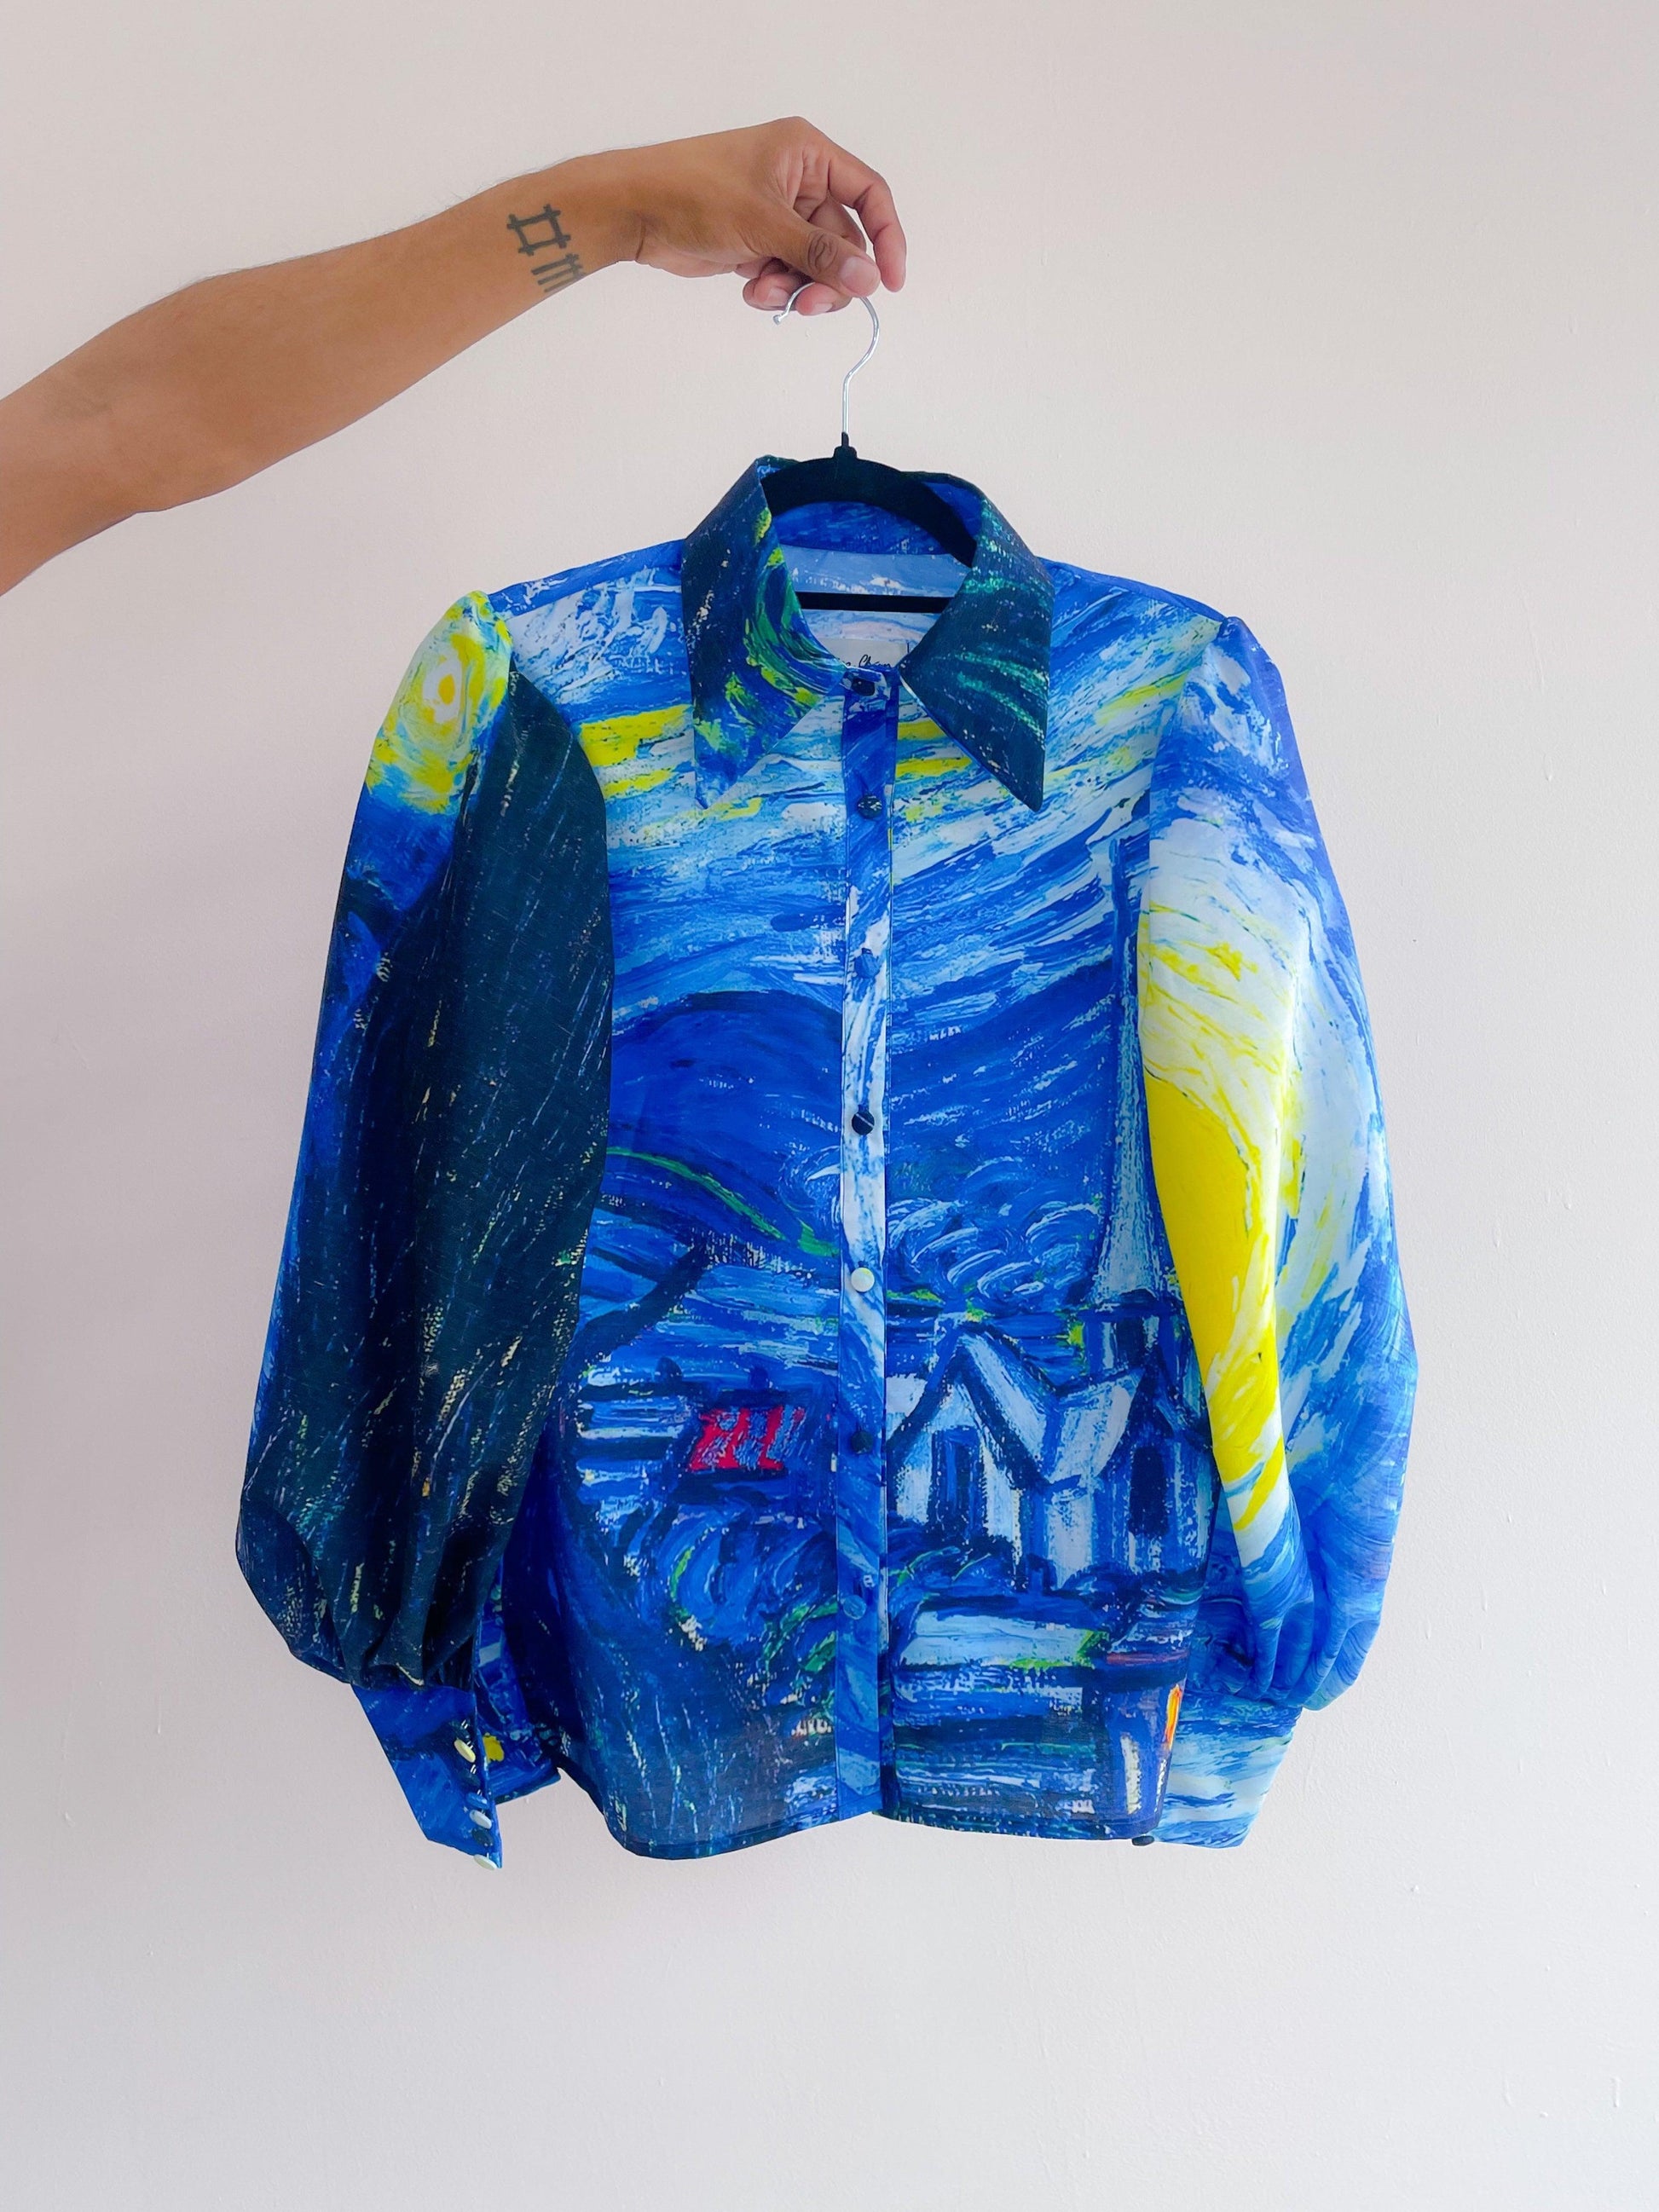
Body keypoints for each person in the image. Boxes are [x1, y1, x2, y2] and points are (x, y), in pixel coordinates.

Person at [0, 118, 905, 596]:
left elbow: (119, 426)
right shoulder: (554, 684)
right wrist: (618, 211)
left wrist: (621, 212)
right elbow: (121, 429)